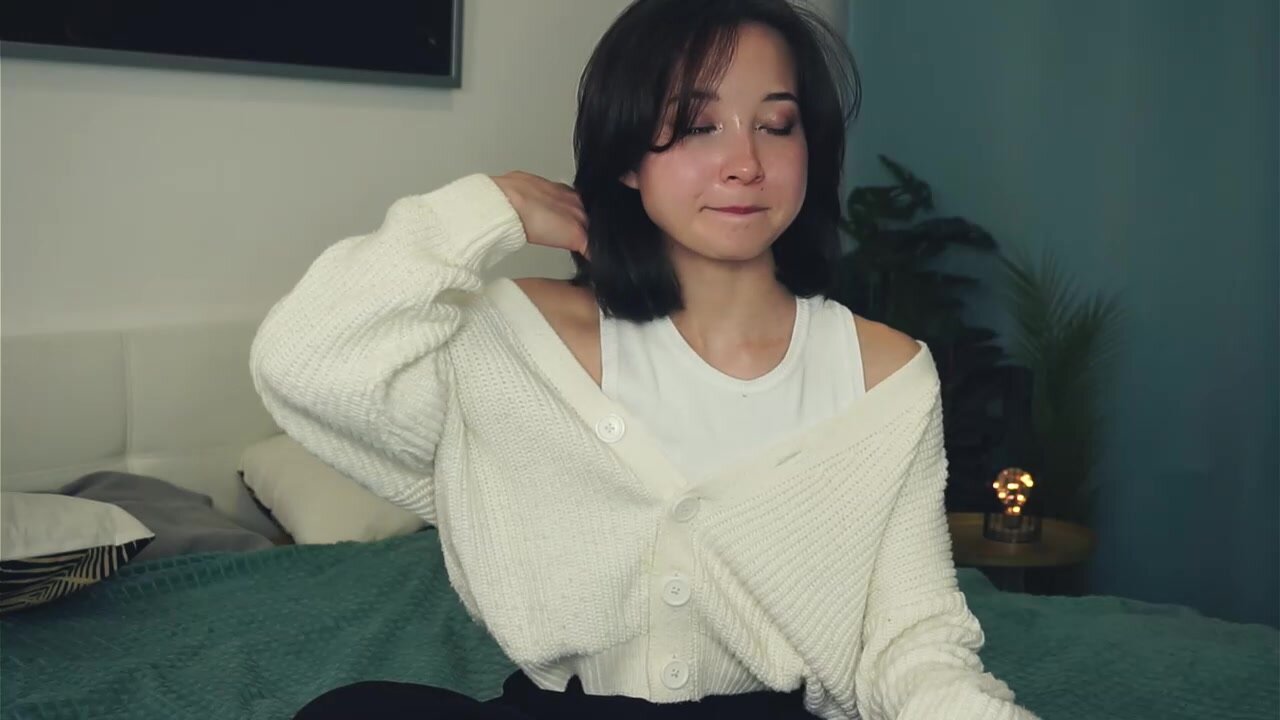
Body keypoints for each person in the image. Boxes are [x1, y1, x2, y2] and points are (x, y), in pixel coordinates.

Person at [253, 0, 1037, 718]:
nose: (745, 162)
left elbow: (913, 638)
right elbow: (306, 361)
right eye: (698, 126)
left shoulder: (886, 376)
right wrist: (492, 208)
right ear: (627, 157)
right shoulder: (516, 342)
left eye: (777, 124)